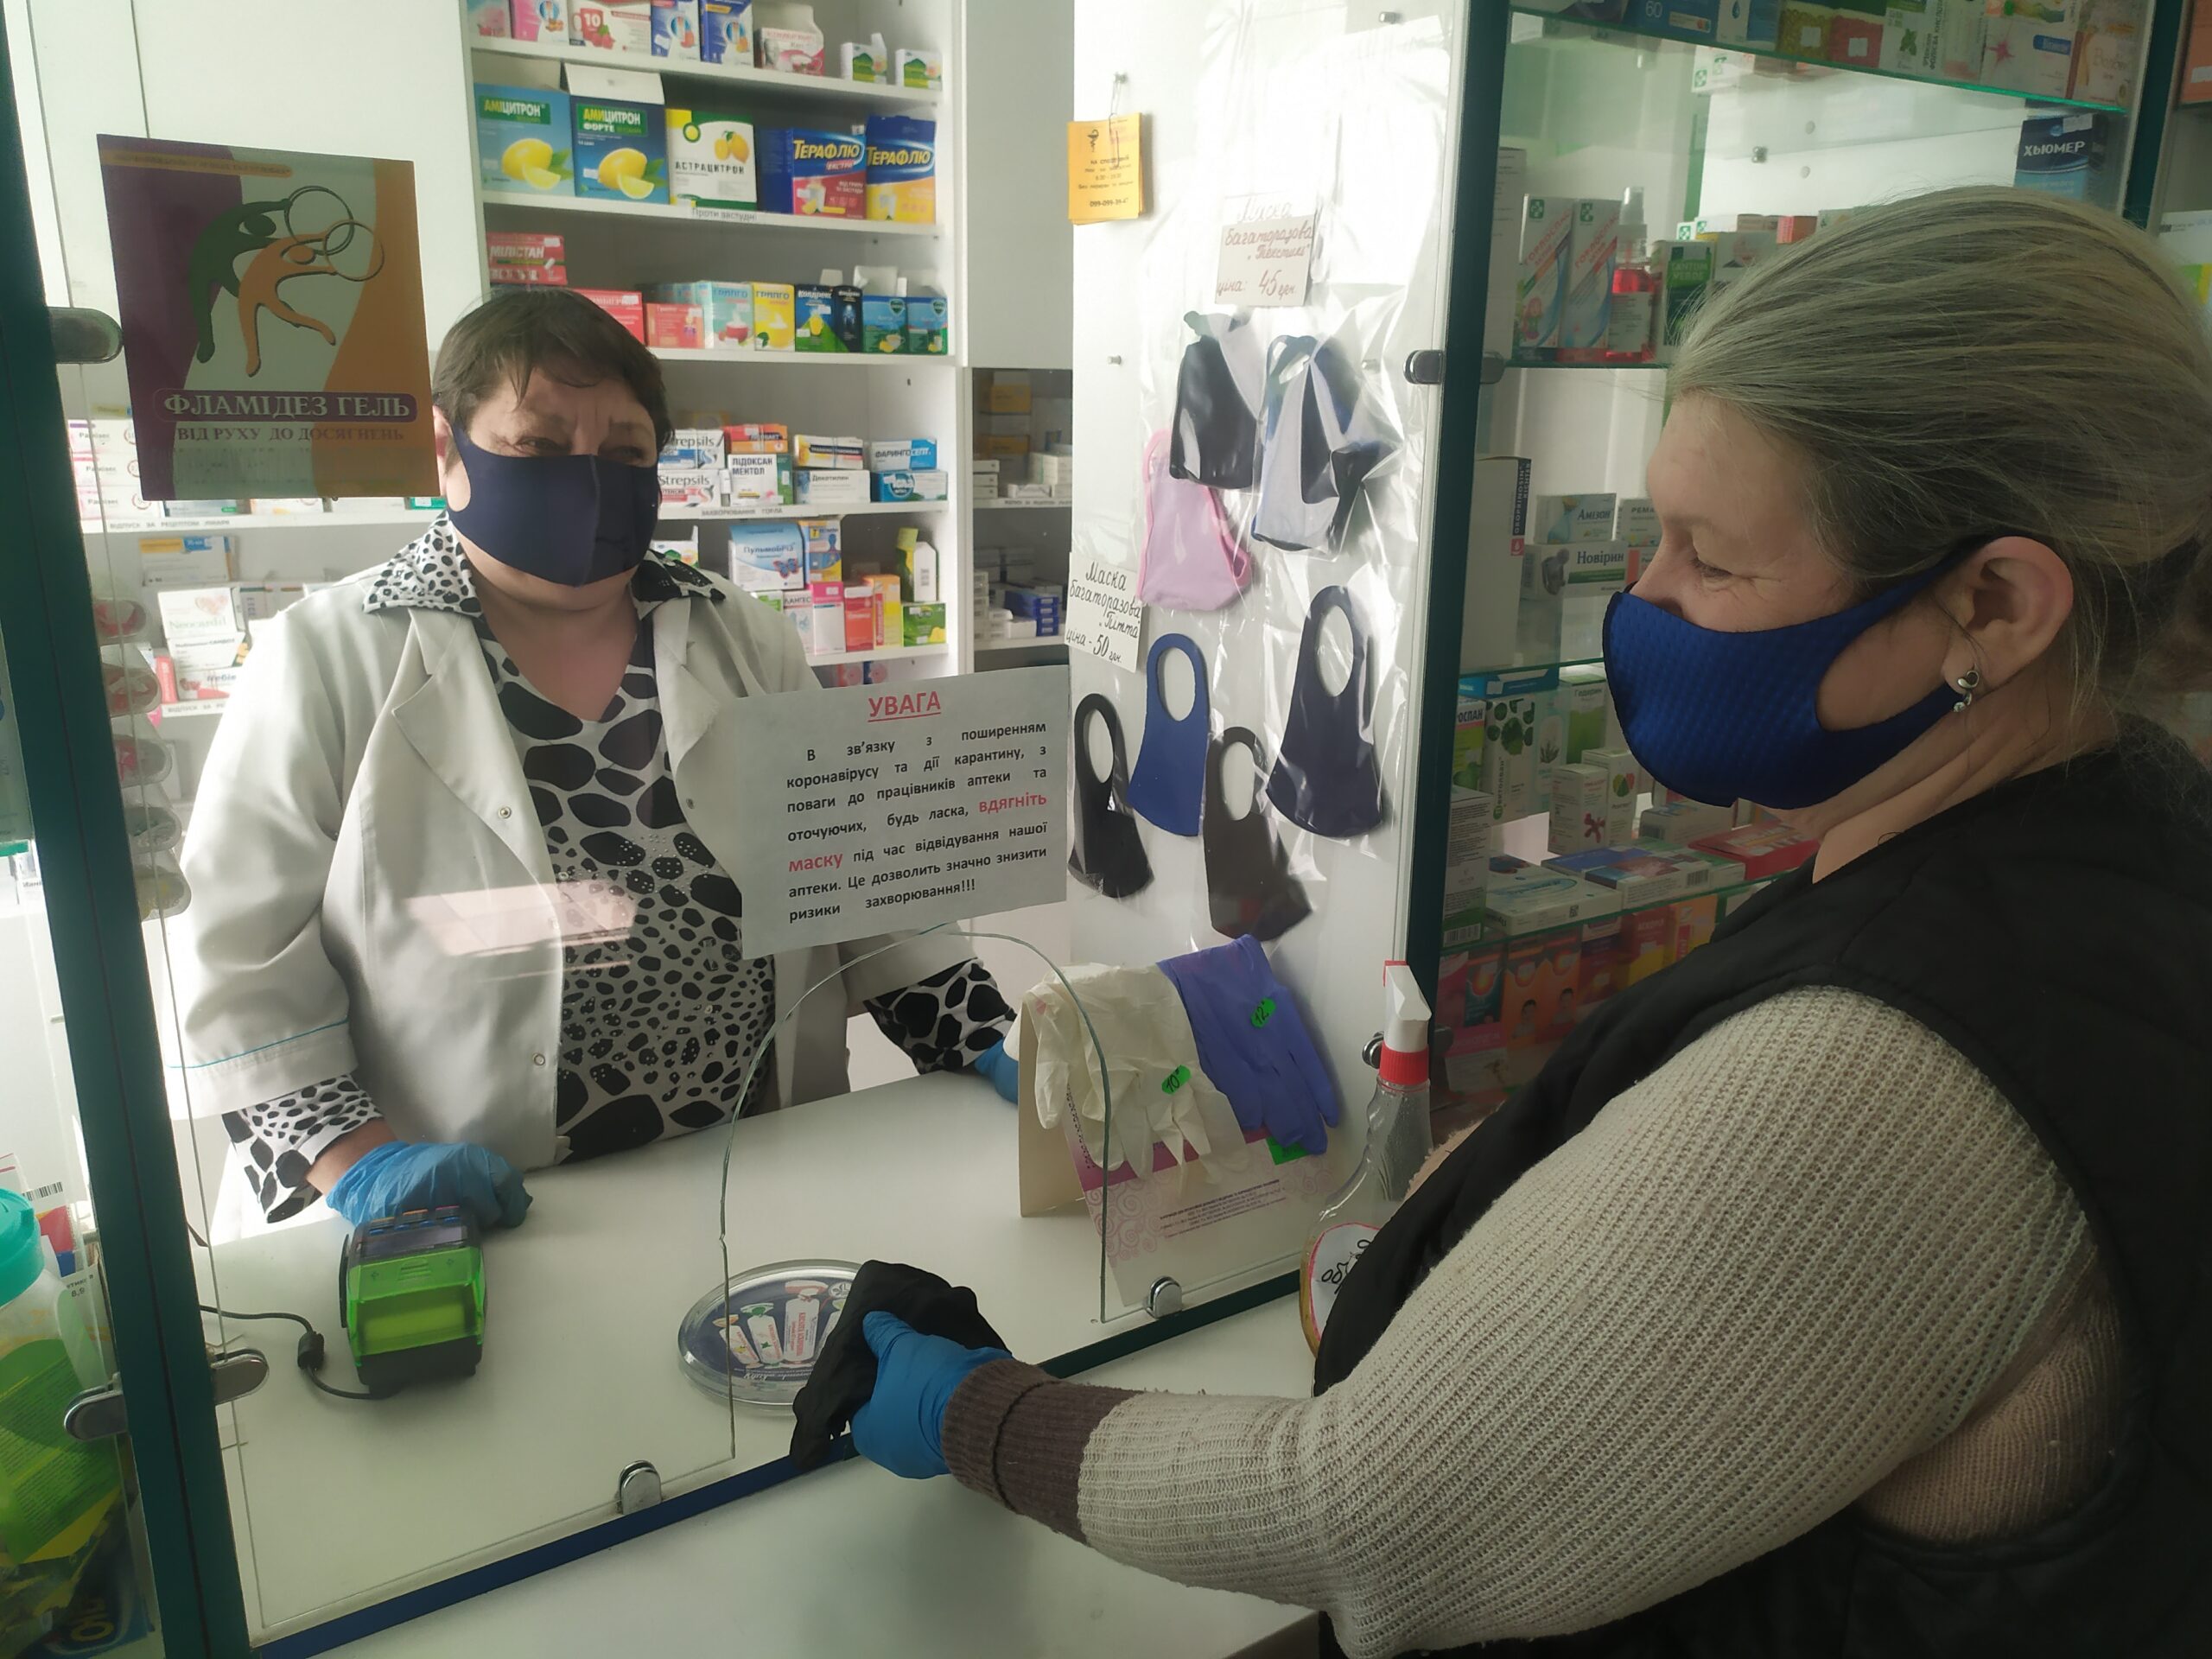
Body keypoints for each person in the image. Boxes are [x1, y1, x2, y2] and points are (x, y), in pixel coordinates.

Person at [831, 188, 2212, 1656]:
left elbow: (1360, 1517)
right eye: (1653, 536)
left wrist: (979, 1415)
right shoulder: (2117, 827)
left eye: (1712, 557)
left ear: (1997, 603)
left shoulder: (1903, 1061)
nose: (1644, 598)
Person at [176, 287, 1020, 1238]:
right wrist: (359, 1161)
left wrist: (982, 1033)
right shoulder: (329, 655)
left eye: (623, 453)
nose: (586, 481)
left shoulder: (743, 635)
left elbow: (855, 870)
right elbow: (241, 958)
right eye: (538, 446)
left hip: (754, 1170)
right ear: (447, 447)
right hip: (469, 1206)